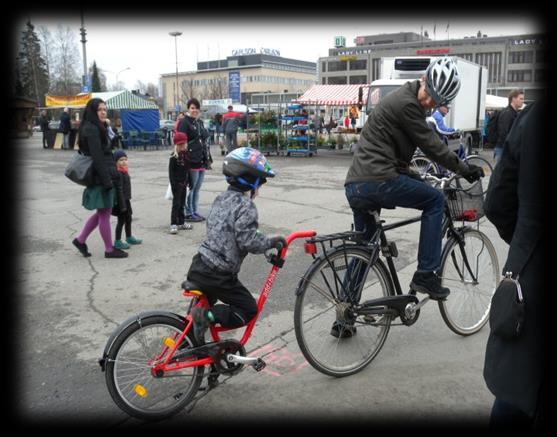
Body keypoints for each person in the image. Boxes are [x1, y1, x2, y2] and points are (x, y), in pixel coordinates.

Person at [344, 57, 483, 304]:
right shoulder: (407, 103)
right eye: (429, 94)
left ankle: (345, 310)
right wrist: (463, 168)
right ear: (423, 80)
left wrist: (415, 175)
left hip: (357, 184)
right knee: (435, 200)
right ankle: (426, 274)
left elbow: (391, 155)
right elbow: (430, 145)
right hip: (378, 179)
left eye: (436, 101)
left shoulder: (401, 100)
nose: (430, 102)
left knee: (365, 248)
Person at [483, 100, 545, 430]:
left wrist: (522, 245)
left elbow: (496, 202)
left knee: (514, 396)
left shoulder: (535, 114)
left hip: (530, 287)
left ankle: (427, 273)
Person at [185, 147, 286, 343]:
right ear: (252, 181)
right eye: (260, 184)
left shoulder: (221, 199)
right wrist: (271, 243)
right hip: (219, 275)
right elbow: (248, 240)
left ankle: (186, 342)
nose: (259, 190)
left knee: (201, 306)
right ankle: (206, 317)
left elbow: (228, 230)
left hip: (200, 265)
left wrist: (260, 239)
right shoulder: (246, 206)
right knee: (248, 310)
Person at [71, 98, 128, 259]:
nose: (103, 112)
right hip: (100, 177)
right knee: (105, 213)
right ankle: (109, 250)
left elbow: (104, 151)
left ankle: (80, 240)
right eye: (100, 109)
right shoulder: (92, 129)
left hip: (102, 175)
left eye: (105, 109)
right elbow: (97, 158)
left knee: (102, 212)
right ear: (93, 112)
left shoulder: (97, 126)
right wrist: (107, 181)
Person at [178, 98, 212, 223]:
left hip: (201, 159)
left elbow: (205, 137)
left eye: (196, 108)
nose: (195, 110)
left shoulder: (199, 123)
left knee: (197, 188)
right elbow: (180, 141)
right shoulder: (184, 122)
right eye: (192, 108)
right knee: (191, 188)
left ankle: (194, 210)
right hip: (191, 159)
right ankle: (188, 212)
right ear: (188, 109)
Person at [111, 150, 142, 250]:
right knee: (121, 221)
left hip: (126, 200)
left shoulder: (124, 171)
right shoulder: (118, 174)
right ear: (115, 162)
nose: (124, 162)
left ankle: (129, 237)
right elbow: (119, 190)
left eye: (125, 159)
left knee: (128, 218)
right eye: (121, 160)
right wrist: (122, 205)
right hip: (121, 202)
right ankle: (117, 240)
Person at [168, 131, 192, 234]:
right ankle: (173, 223)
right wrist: (174, 185)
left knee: (182, 203)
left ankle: (181, 222)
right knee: (176, 204)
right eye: (180, 145)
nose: (182, 146)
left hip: (184, 183)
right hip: (176, 185)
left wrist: (190, 180)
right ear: (176, 145)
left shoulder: (186, 155)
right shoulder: (173, 157)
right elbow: (171, 173)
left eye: (184, 144)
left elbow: (188, 169)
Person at [494, 89, 524, 165]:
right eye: (521, 98)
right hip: (503, 149)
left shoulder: (514, 112)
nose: (522, 101)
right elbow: (504, 133)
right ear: (513, 99)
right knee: (501, 174)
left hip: (507, 149)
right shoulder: (507, 113)